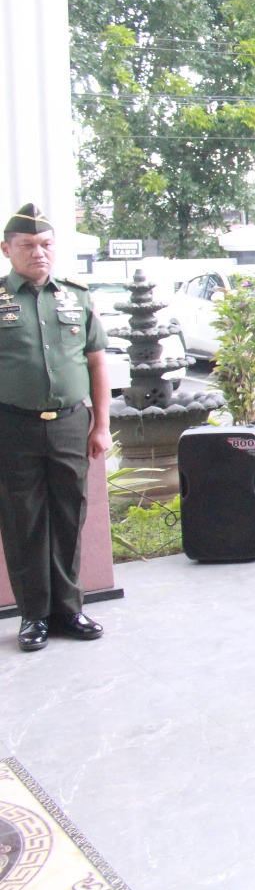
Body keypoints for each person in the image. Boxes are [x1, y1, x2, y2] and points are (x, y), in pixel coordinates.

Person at [0, 204, 112, 652]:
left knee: (70, 515)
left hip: (70, 424)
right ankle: (34, 616)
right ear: (7, 250)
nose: (38, 253)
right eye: (27, 246)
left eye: (45, 245)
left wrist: (100, 424)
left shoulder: (76, 295)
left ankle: (69, 608)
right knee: (23, 520)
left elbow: (96, 362)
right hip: (12, 426)